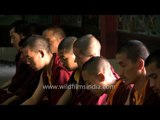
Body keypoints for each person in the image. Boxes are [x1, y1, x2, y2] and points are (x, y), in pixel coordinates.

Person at [57, 34, 119, 105]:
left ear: (92, 57)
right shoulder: (80, 72)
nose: (75, 61)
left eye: (78, 57)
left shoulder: (100, 80)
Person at [21, 35, 72, 105]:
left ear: (41, 53)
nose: (27, 62)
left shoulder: (61, 71)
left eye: (29, 57)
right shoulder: (46, 71)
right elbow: (34, 99)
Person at [0, 21, 42, 105]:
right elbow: (16, 79)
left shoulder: (38, 64)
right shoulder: (20, 56)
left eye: (13, 37)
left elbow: (28, 94)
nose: (11, 42)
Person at [114, 40, 150, 105]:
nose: (119, 73)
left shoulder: (155, 93)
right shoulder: (131, 94)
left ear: (140, 64)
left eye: (123, 65)